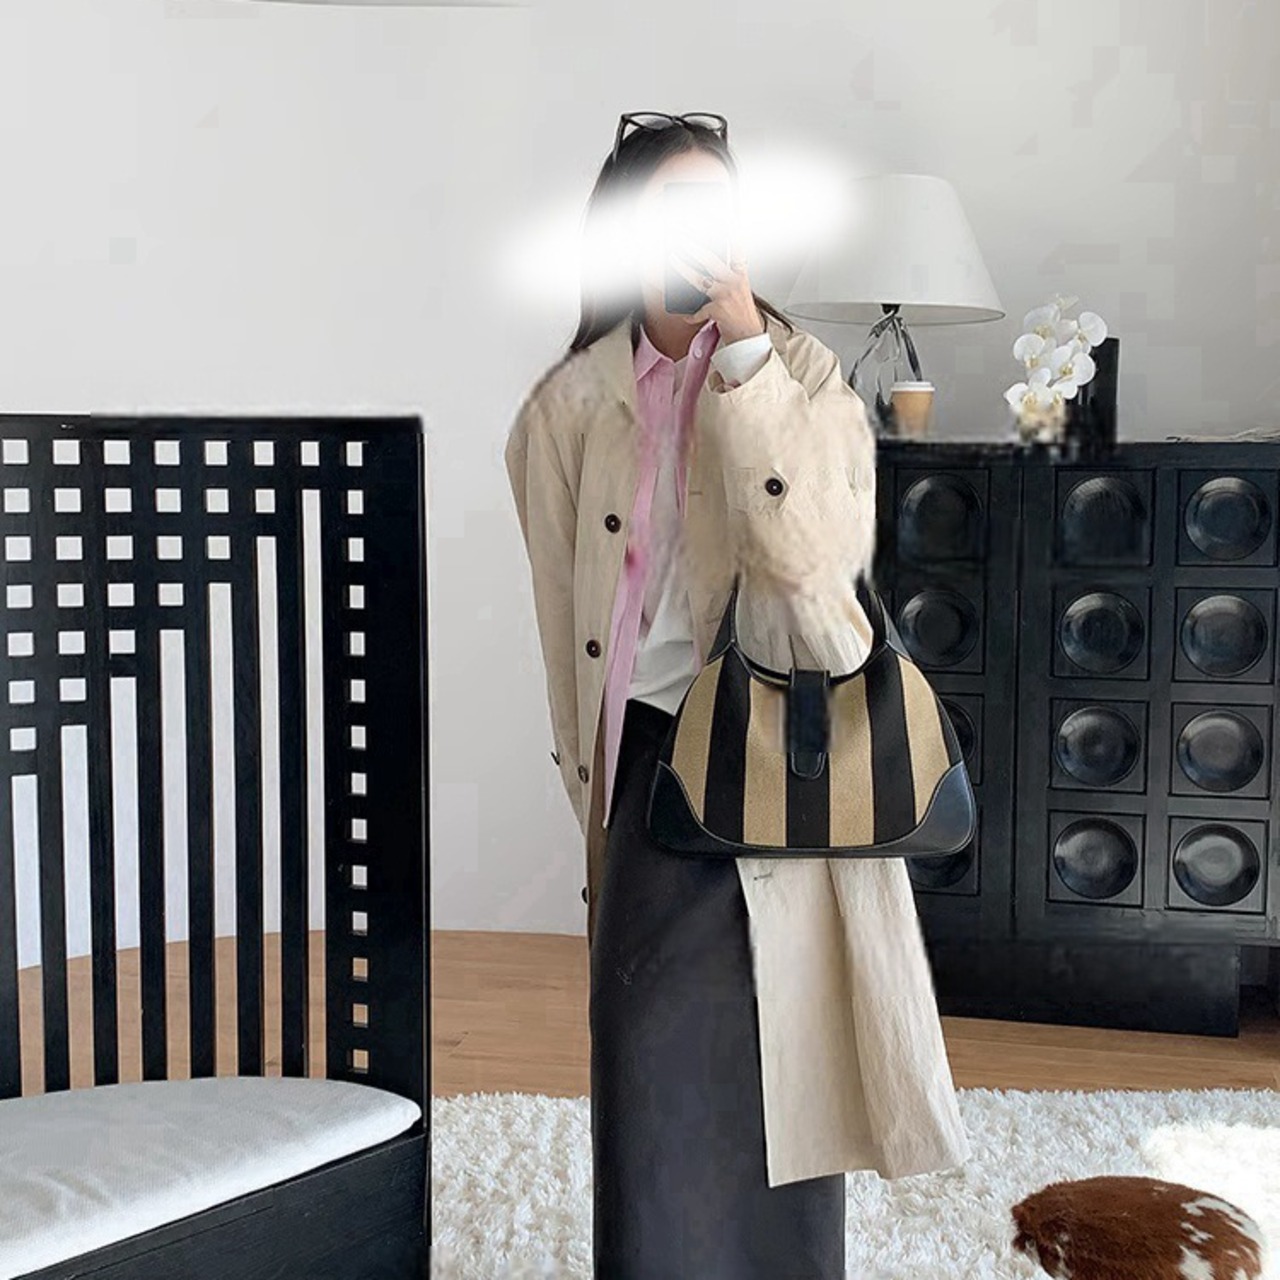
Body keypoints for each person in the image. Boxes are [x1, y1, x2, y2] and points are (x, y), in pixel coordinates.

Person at [504, 111, 968, 1280]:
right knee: (646, 1053)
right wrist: (588, 784)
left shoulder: (801, 375)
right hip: (648, 758)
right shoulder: (565, 408)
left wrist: (746, 358)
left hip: (779, 747)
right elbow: (564, 627)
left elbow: (816, 562)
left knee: (782, 1053)